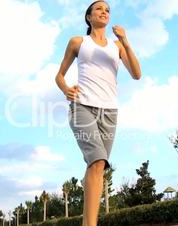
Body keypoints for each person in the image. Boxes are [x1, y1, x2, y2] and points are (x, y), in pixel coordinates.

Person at [55, 1, 141, 225]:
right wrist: (66, 89)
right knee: (97, 160)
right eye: (99, 9)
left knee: (98, 167)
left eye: (108, 10)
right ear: (89, 17)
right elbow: (59, 76)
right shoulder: (78, 42)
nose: (104, 12)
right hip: (82, 106)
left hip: (110, 111)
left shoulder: (117, 46)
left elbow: (136, 74)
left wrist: (125, 41)